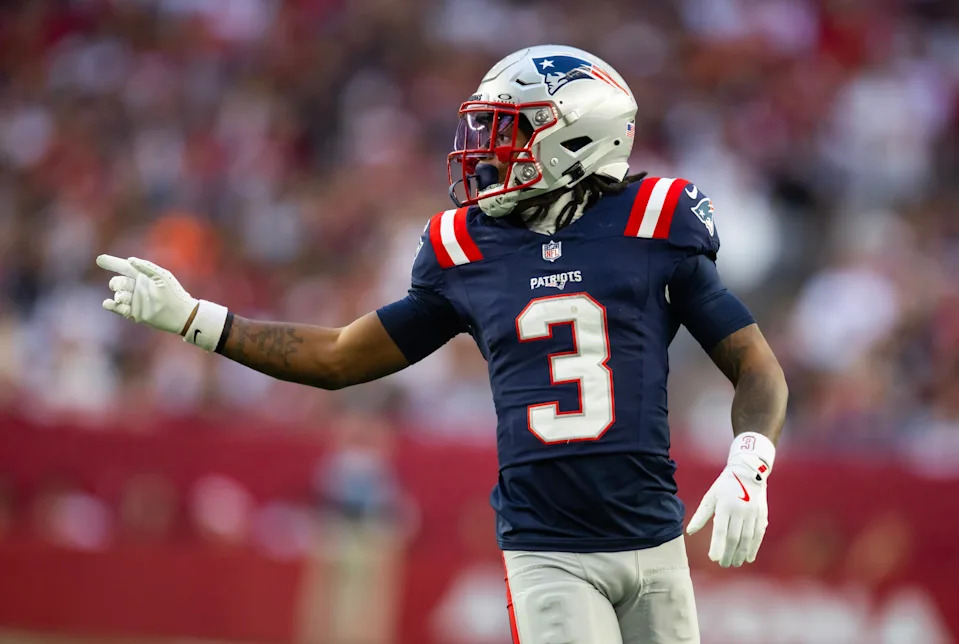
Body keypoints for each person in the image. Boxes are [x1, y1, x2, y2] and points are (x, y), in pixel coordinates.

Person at [97, 45, 787, 644]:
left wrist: (749, 464)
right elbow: (339, 356)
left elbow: (754, 365)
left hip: (656, 538)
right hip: (549, 551)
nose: (487, 151)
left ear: (578, 140)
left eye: (512, 132)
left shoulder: (654, 221)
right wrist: (196, 319)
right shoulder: (465, 248)